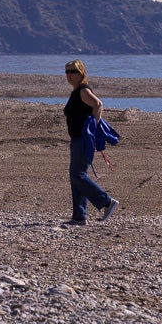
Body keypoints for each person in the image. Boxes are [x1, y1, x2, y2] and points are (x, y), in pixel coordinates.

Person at [63, 59, 119, 225]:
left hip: (83, 139)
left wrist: (93, 126)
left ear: (81, 73)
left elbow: (98, 104)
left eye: (72, 71)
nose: (69, 75)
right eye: (67, 72)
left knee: (77, 174)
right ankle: (79, 217)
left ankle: (106, 202)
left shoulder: (83, 90)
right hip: (76, 139)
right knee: (76, 176)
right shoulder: (76, 92)